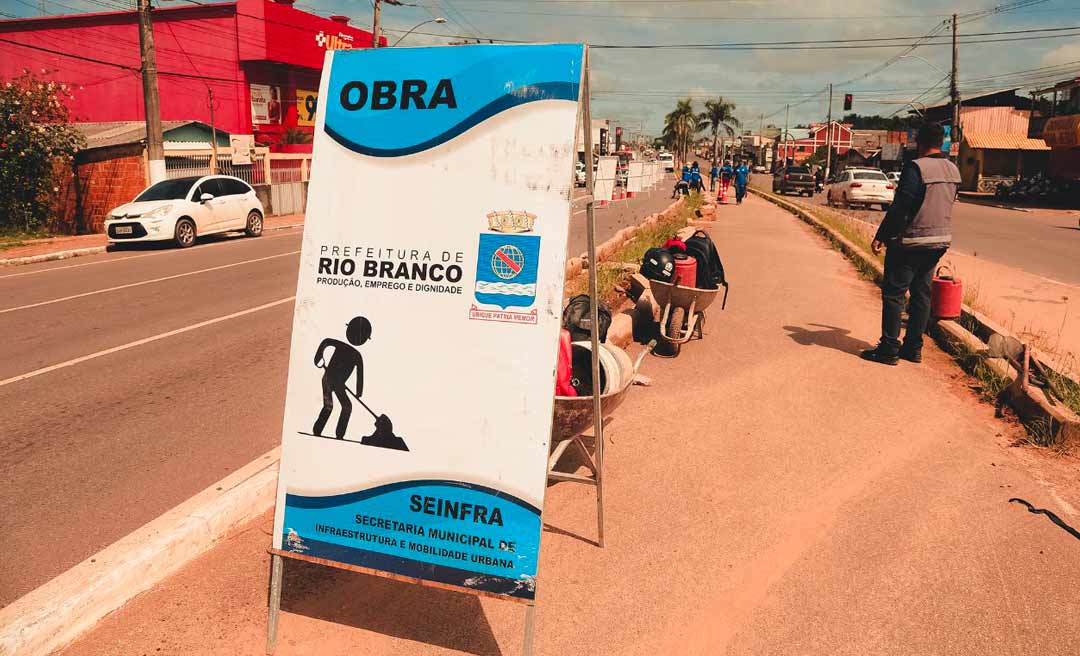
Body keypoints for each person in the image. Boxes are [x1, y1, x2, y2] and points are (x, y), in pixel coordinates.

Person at [861, 122, 961, 366]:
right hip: (939, 241)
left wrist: (882, 236)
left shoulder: (916, 168)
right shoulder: (953, 170)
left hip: (911, 240)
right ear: (941, 142)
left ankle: (888, 349)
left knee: (894, 293)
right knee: (921, 295)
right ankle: (913, 348)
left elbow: (901, 207)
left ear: (919, 142)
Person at [312, 316, 371, 438]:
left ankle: (325, 431)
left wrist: (318, 356)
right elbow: (360, 375)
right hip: (331, 380)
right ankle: (333, 433)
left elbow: (326, 341)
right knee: (341, 406)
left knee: (335, 406)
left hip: (332, 381)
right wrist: (358, 392)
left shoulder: (355, 354)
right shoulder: (356, 355)